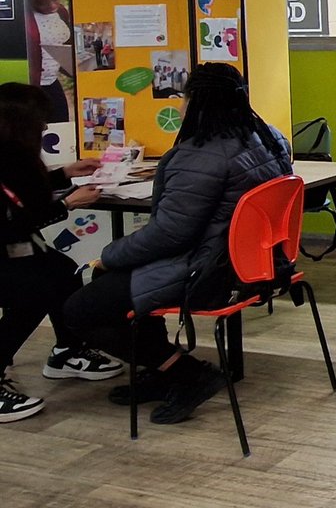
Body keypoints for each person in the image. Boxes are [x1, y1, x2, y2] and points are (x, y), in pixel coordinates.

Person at [62, 63, 293, 426]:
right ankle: (163, 370)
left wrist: (107, 257)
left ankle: (186, 373)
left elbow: (170, 235)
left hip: (206, 272)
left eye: (182, 96)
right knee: (126, 275)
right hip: (254, 264)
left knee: (78, 310)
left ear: (196, 101)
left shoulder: (200, 154)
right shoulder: (270, 137)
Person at [1, 83, 124, 423]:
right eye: (40, 120)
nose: (44, 127)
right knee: (36, 289)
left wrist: (64, 174)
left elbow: (25, 197)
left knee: (61, 269)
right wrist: (69, 203)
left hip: (12, 248)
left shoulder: (14, 154)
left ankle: (67, 350)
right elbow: (13, 220)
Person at [23, 0, 73, 123]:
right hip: (32, 86)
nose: (52, 6)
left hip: (52, 81)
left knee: (61, 124)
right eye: (42, 2)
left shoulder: (61, 12)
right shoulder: (24, 19)